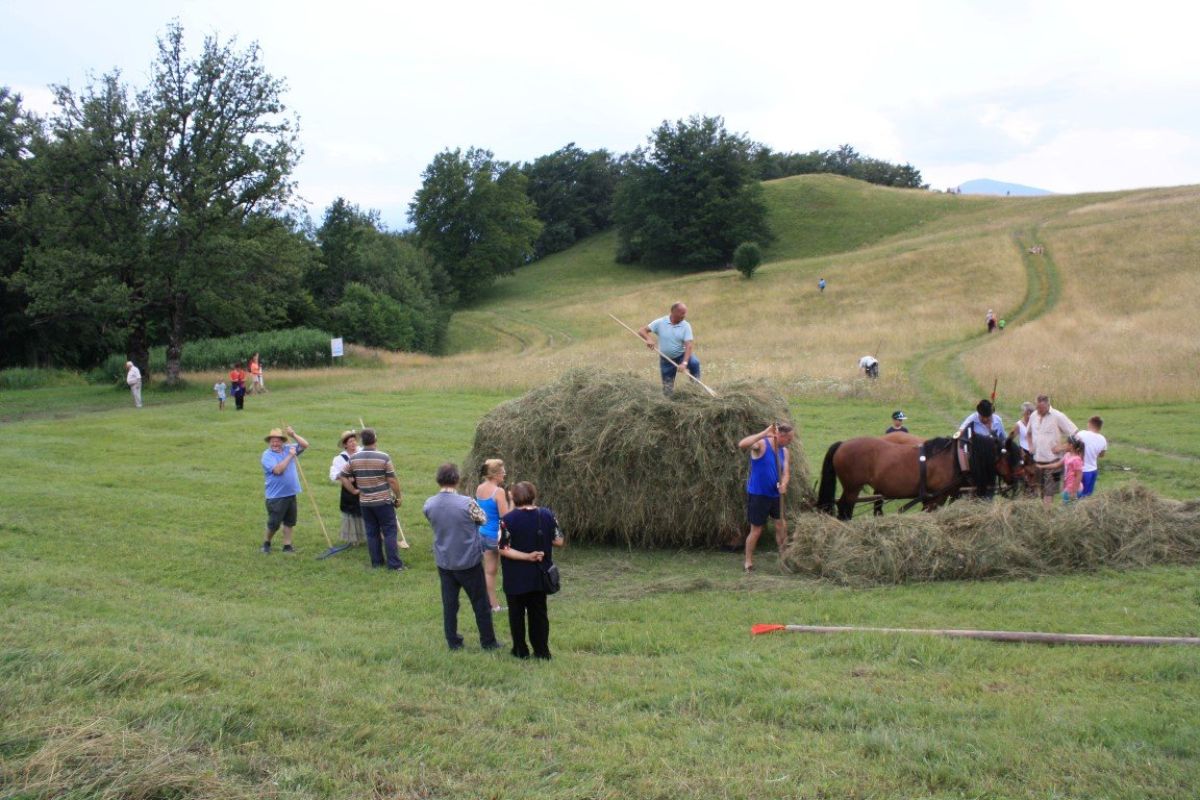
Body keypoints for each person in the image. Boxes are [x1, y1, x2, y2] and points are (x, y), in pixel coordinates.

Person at [424, 463, 502, 652]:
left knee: (450, 604)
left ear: (438, 480)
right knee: (480, 603)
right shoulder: (468, 503)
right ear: (457, 480)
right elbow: (483, 519)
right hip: (468, 561)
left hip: (444, 561)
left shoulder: (429, 504)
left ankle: (453, 641)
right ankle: (488, 642)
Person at [500, 481, 564, 659]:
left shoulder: (507, 520)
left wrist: (526, 556)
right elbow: (559, 540)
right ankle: (542, 651)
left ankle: (520, 650)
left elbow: (503, 548)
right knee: (539, 614)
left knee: (516, 614)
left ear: (513, 498)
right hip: (539, 574)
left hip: (515, 576)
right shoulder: (547, 514)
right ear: (533, 495)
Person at [338, 427, 406, 570]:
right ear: (375, 440)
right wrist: (398, 497)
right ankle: (394, 564)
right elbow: (392, 480)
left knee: (372, 533)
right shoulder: (384, 457)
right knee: (389, 532)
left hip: (365, 503)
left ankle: (376, 563)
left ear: (362, 441)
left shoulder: (354, 458)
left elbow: (342, 475)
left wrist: (354, 491)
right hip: (383, 501)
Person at [737, 423, 793, 573]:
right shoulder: (761, 445)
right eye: (788, 439)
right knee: (756, 530)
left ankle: (784, 558)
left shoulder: (785, 451)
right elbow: (742, 444)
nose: (790, 442)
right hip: (759, 494)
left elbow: (786, 472)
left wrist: (784, 484)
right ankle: (748, 562)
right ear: (780, 436)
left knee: (781, 525)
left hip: (776, 495)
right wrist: (764, 433)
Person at [260, 425, 309, 553]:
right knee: (274, 523)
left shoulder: (288, 448)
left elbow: (305, 445)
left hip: (291, 493)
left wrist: (293, 435)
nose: (275, 444)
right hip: (276, 496)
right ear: (269, 442)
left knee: (289, 522)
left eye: (277, 441)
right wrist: (290, 456)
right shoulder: (267, 455)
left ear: (282, 441)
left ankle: (287, 546)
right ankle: (266, 543)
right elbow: (278, 470)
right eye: (272, 441)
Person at [638, 301, 700, 397]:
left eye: (685, 313)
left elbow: (689, 346)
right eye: (682, 313)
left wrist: (684, 363)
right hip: (666, 359)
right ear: (673, 312)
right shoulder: (660, 322)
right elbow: (642, 330)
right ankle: (669, 400)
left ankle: (695, 390)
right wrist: (649, 339)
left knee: (694, 363)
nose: (684, 315)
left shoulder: (686, 326)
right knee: (667, 390)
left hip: (681, 355)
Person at [1029, 394, 1079, 509]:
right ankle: (1045, 512)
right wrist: (1031, 446)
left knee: (1049, 492)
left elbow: (1076, 434)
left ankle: (1047, 515)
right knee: (1041, 490)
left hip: (1053, 462)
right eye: (1037, 408)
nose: (1039, 411)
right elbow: (1029, 433)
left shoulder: (1058, 416)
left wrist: (1062, 447)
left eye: (1042, 408)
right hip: (1038, 461)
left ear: (1048, 405)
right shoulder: (1033, 416)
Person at [474, 459, 510, 613]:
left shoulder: (479, 488)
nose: (505, 474)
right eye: (502, 472)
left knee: (489, 571)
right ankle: (519, 605)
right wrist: (513, 502)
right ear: (495, 475)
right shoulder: (498, 492)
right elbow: (506, 517)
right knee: (511, 571)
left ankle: (493, 606)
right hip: (498, 537)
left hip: (482, 534)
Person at [328, 430, 366, 547]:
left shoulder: (362, 452)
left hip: (364, 486)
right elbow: (334, 474)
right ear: (345, 445)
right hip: (349, 489)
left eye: (354, 440)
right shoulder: (340, 458)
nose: (353, 443)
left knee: (366, 511)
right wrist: (345, 476)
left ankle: (373, 535)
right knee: (352, 513)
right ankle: (354, 539)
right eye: (350, 441)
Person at [1075, 416, 1108, 498]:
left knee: (1077, 495)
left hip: (1081, 470)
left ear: (1089, 424)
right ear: (1100, 427)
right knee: (1087, 496)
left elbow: (1072, 446)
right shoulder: (1103, 439)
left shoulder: (1081, 434)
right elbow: (1102, 455)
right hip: (1093, 470)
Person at [1061, 436, 1084, 504]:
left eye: (1066, 443)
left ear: (1071, 445)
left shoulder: (1076, 459)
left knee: (1070, 507)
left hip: (1072, 489)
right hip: (1069, 487)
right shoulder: (1068, 455)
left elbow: (1079, 476)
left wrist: (1074, 492)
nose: (1064, 445)